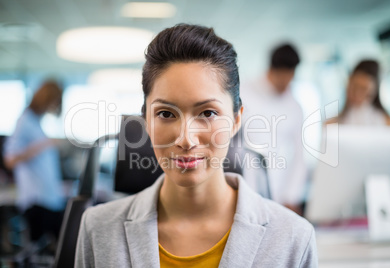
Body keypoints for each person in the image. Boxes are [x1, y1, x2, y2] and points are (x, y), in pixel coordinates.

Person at [75, 24, 317, 267]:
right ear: (146, 121)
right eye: (166, 114)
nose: (186, 140)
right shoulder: (97, 229)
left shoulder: (293, 239)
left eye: (208, 113)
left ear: (235, 121)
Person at [241, 44, 307, 214]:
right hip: (245, 184)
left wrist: (293, 195)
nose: (286, 84)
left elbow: (300, 155)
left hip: (280, 193)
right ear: (271, 69)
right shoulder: (244, 93)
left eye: (291, 77)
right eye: (282, 78)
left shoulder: (294, 106)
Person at [4, 80, 65, 245]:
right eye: (53, 102)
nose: (54, 106)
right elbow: (10, 160)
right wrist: (44, 144)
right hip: (36, 200)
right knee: (41, 250)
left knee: (59, 247)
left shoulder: (36, 122)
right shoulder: (25, 121)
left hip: (49, 198)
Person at [327, 59, 390, 126]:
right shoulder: (332, 124)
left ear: (374, 92)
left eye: (363, 89)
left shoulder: (387, 122)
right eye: (354, 87)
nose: (357, 94)